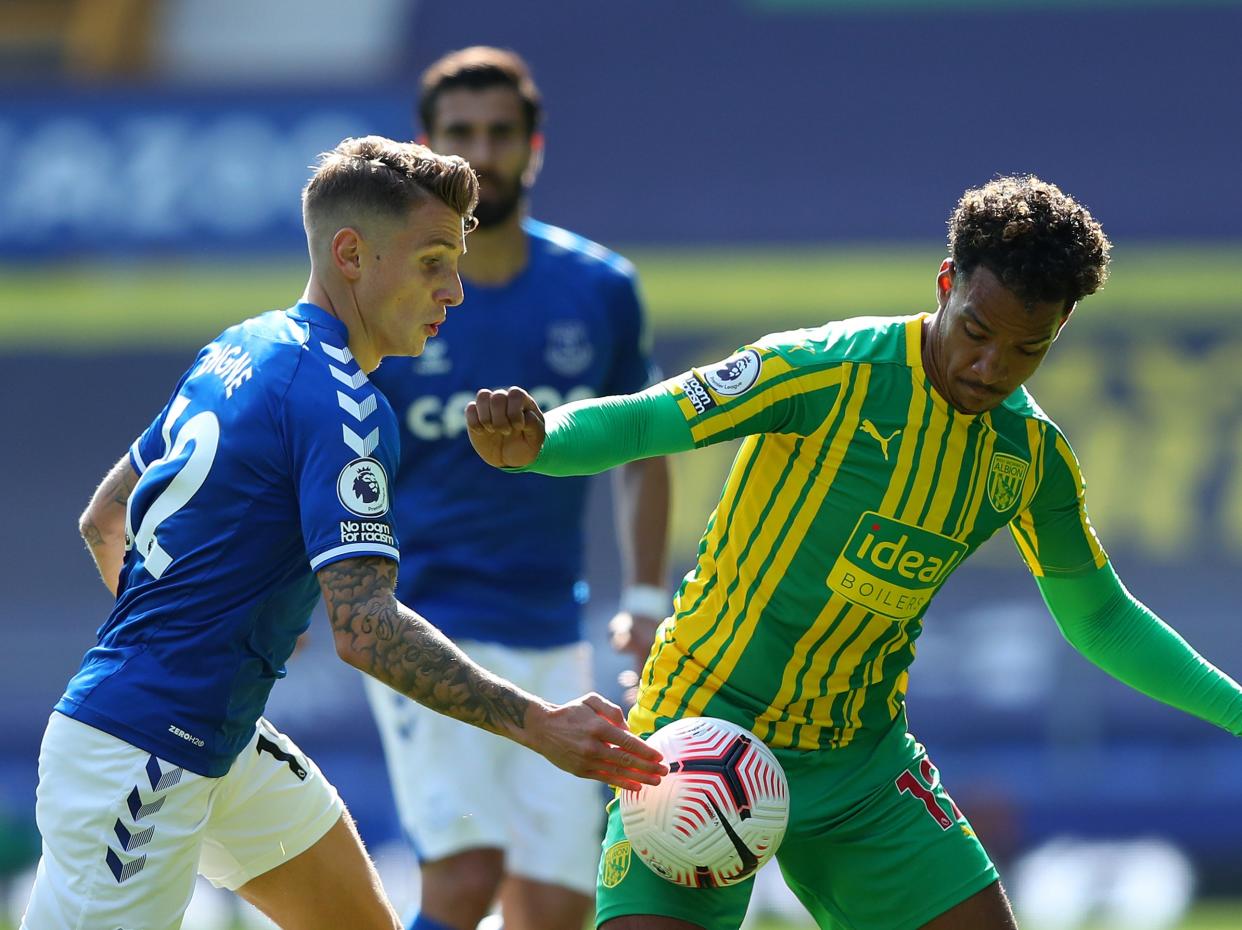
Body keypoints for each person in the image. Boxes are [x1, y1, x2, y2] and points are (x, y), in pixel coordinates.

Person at [464, 175, 1242, 930]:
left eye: (1026, 350)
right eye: (976, 331)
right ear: (946, 283)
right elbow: (646, 422)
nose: (989, 368)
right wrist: (538, 445)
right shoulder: (827, 369)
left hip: (858, 765)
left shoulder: (1030, 458)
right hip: (700, 739)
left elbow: (1100, 618)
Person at [20, 134, 665, 930]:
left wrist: (202, 628)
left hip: (209, 735)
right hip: (139, 752)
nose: (455, 291)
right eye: (434, 260)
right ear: (352, 254)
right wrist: (541, 724)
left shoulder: (239, 344)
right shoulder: (342, 404)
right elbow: (364, 631)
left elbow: (103, 519)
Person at [360, 46, 671, 930]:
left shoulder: (599, 288)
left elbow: (645, 442)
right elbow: (330, 450)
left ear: (535, 147)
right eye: (462, 134)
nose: (484, 153)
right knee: (463, 883)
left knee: (556, 905)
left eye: (502, 133)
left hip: (552, 629)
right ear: (429, 148)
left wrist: (646, 597)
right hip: (429, 625)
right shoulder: (387, 297)